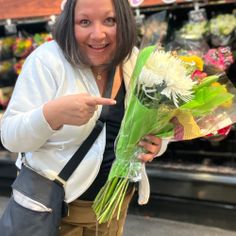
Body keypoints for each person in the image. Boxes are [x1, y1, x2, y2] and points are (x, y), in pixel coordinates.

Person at [0, 0, 169, 235]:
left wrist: (157, 145)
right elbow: (10, 137)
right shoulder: (47, 60)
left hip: (113, 213)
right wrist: (52, 115)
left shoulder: (133, 59)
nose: (98, 34)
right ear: (70, 23)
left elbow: (153, 124)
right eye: (85, 22)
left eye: (110, 20)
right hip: (53, 214)